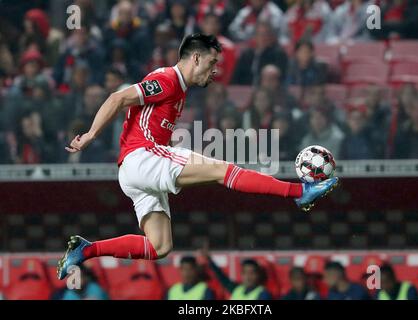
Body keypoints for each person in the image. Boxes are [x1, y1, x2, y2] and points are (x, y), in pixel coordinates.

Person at [57, 34, 338, 280]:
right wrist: (92, 134)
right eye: (212, 63)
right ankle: (300, 191)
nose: (215, 70)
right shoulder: (167, 79)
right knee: (222, 170)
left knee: (159, 247)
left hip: (133, 173)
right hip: (141, 157)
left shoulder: (178, 90)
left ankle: (87, 249)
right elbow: (118, 98)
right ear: (195, 58)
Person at [201, 246, 271, 300]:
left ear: (258, 275)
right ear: (241, 274)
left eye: (252, 273)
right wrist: (209, 260)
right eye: (245, 273)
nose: (248, 277)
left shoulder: (263, 294)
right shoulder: (236, 289)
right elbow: (222, 278)